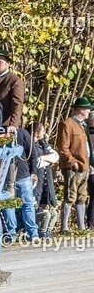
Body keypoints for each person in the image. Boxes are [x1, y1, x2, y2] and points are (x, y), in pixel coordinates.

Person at [56, 96, 93, 232]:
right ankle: (64, 228)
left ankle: (81, 227)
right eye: (87, 109)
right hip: (73, 168)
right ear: (81, 110)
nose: (89, 112)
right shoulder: (67, 124)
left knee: (82, 196)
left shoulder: (83, 126)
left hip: (85, 166)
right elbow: (62, 147)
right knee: (70, 196)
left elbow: (86, 148)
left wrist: (90, 163)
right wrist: (72, 162)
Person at [1, 126, 39, 242]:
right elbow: (33, 154)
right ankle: (33, 233)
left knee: (10, 205)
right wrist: (33, 171)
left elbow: (32, 154)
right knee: (26, 205)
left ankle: (12, 234)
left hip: (9, 176)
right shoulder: (22, 133)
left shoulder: (0, 133)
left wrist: (32, 172)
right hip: (20, 175)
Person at [31, 122, 59, 238]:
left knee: (48, 208)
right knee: (36, 205)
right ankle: (36, 230)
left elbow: (55, 157)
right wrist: (47, 160)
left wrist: (43, 158)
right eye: (42, 131)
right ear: (36, 133)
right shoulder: (31, 146)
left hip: (45, 179)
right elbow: (36, 163)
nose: (44, 133)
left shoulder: (43, 144)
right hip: (36, 179)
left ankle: (46, 230)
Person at [0, 48, 24, 132]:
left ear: (8, 63)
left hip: (4, 126)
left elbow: (17, 104)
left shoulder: (14, 80)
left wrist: (13, 124)